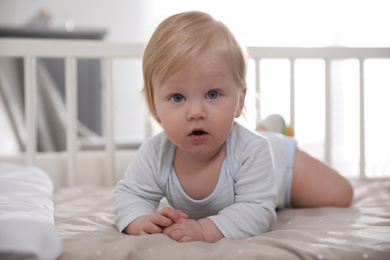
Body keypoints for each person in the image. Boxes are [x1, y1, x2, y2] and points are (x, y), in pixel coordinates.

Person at [113, 11, 353, 243]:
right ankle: (266, 126)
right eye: (177, 97)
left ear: (239, 101)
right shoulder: (155, 154)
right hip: (259, 144)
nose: (196, 112)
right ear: (155, 108)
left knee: (341, 194)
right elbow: (131, 195)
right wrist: (140, 221)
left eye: (213, 94)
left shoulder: (253, 150)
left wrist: (203, 229)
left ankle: (271, 130)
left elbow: (257, 210)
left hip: (280, 162)